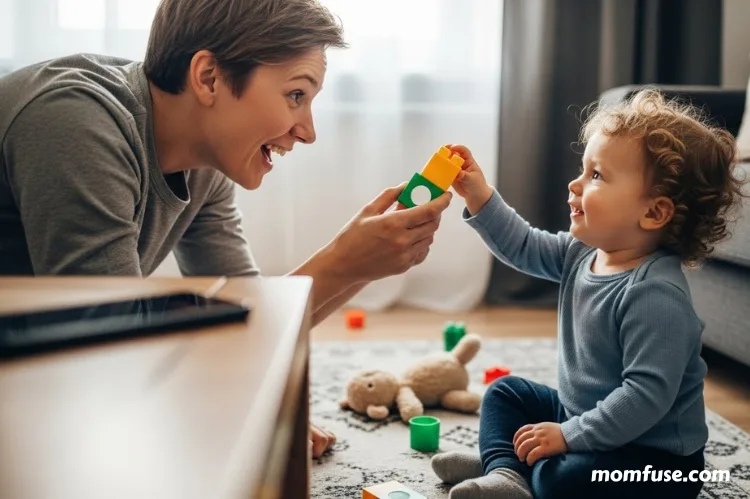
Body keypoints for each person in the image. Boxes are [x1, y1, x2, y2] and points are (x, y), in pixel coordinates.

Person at [0, 0, 452, 458]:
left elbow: (243, 319)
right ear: (209, 78)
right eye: (296, 95)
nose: (308, 131)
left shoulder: (205, 161)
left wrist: (362, 266)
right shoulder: (75, 121)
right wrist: (342, 261)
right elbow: (115, 346)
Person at [429, 89, 746, 498]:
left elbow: (643, 399)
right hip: (585, 417)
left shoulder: (656, 295)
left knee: (566, 480)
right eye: (584, 170)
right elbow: (524, 245)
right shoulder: (583, 252)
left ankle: (516, 465)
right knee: (505, 394)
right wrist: (478, 194)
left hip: (656, 460)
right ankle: (506, 470)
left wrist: (568, 436)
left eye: (596, 175)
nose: (575, 184)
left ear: (653, 212)